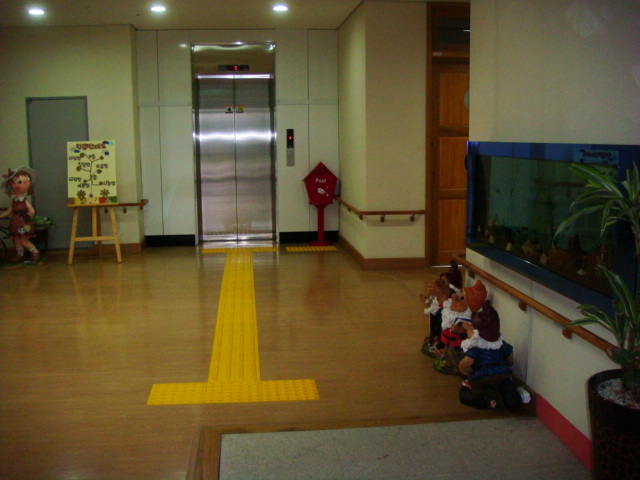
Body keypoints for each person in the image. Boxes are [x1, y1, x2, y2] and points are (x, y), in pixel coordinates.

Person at [457, 300, 522, 412]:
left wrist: (461, 369)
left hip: (482, 377)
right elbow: (510, 353)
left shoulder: (477, 346)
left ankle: (486, 401)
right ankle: (509, 400)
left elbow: (467, 362)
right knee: (508, 388)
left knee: (466, 395)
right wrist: (509, 362)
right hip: (502, 374)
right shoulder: (500, 343)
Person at [433, 279, 487, 375]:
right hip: (451, 343)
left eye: (461, 298)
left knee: (453, 354)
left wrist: (459, 329)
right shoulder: (453, 316)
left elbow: (464, 330)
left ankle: (455, 365)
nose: (454, 298)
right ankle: (444, 355)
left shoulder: (465, 319)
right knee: (447, 350)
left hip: (459, 347)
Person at [420, 261, 463, 356]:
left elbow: (447, 305)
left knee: (439, 327)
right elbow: (432, 302)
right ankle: (433, 339)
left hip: (445, 319)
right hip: (437, 312)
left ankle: (439, 343)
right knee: (433, 323)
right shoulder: (442, 292)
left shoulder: (452, 294)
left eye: (444, 281)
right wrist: (426, 299)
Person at [1, 167, 40, 263]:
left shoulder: (24, 200)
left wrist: (31, 211)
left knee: (23, 240)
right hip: (15, 223)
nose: (17, 185)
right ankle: (20, 254)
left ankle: (35, 252)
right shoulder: (14, 201)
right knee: (17, 240)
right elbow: (9, 211)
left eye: (20, 182)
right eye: (14, 183)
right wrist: (1, 215)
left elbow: (30, 209)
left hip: (24, 222)